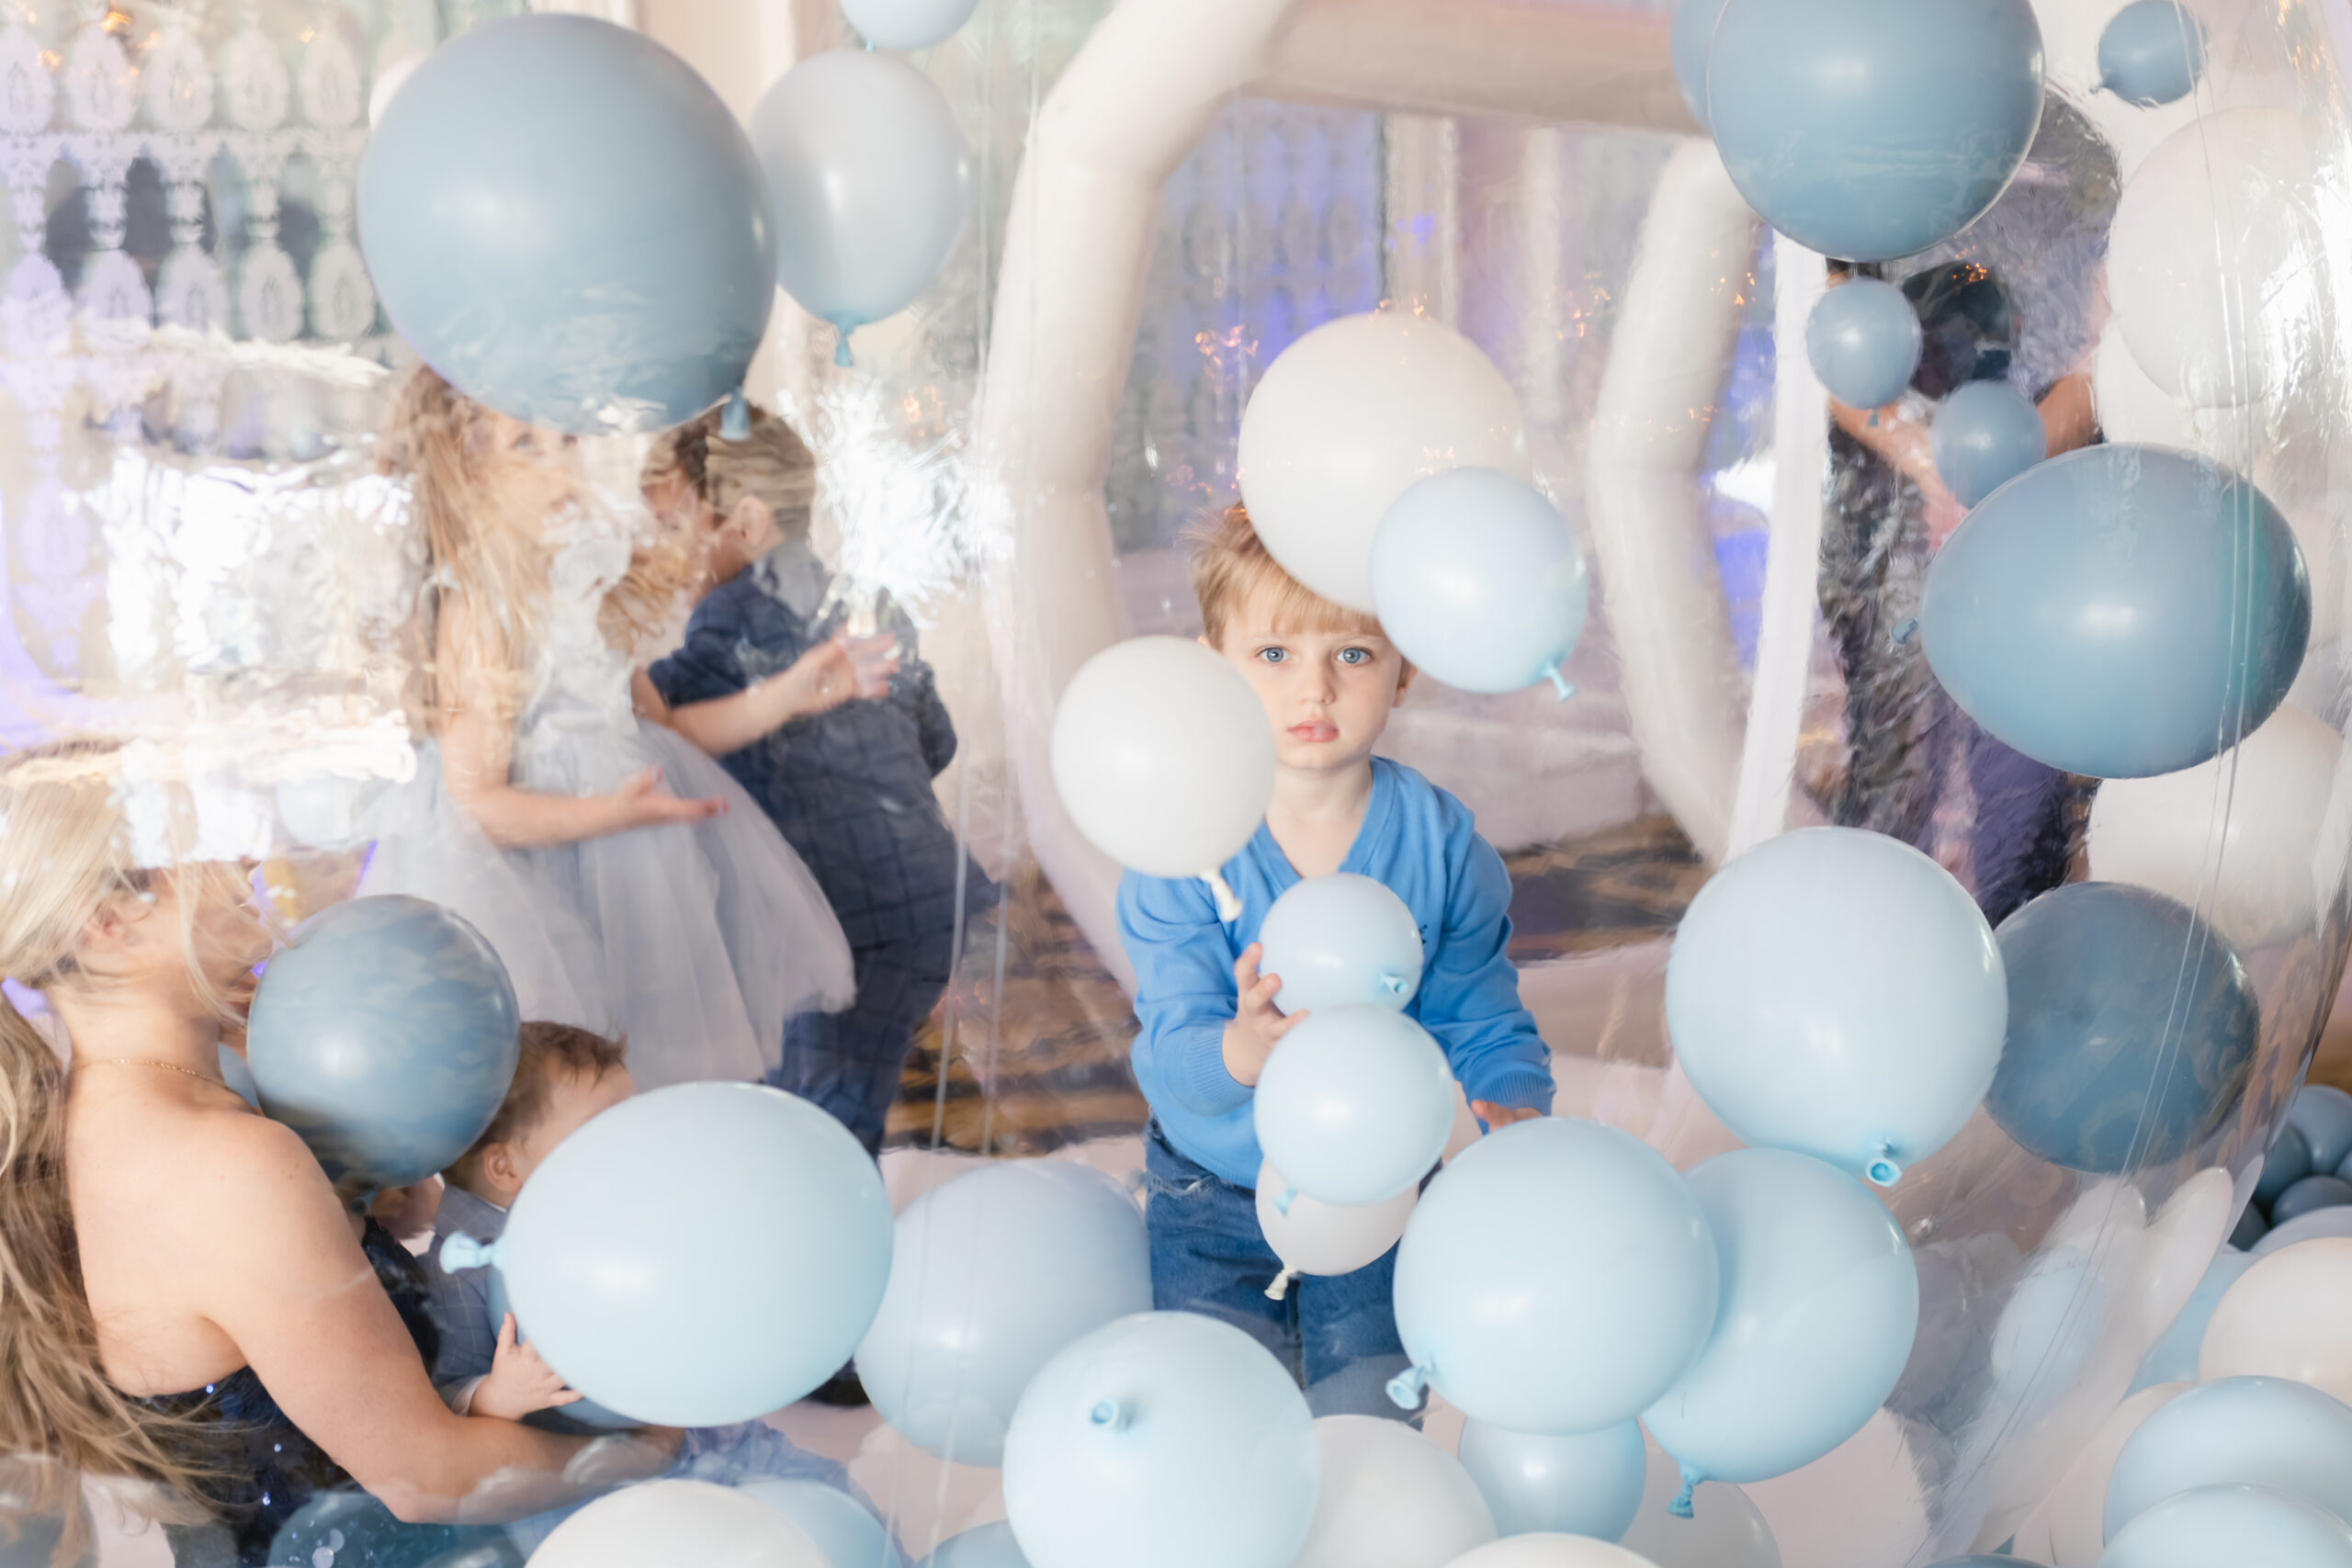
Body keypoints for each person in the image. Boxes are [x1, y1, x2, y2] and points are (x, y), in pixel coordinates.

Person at [0, 740, 673, 1568]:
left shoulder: (101, 1113)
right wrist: (645, 1456)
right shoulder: (221, 1161)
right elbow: (425, 1478)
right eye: (193, 838)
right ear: (107, 923)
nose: (245, 853)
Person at [1115, 503, 1555, 1417]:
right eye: (1273, 655)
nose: (1312, 691)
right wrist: (1241, 1047)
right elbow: (1171, 1048)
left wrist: (1510, 1096)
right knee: (1218, 1420)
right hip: (1210, 1192)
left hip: (1375, 1187)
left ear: (1404, 670)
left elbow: (1476, 1008)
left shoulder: (1440, 845)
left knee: (1369, 1418)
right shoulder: (1184, 843)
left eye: (1351, 655)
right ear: (1215, 665)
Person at [357, 369, 854, 1090]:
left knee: (649, 1061)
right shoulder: (480, 610)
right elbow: (478, 801)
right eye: (525, 445)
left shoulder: (580, 579)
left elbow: (665, 728)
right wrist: (609, 814)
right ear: (467, 469)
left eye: (564, 439)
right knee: (560, 1072)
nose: (561, 462)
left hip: (633, 863)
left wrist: (784, 694)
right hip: (531, 880)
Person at [637, 402, 981, 1157]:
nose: (660, 554)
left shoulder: (730, 615)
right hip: (929, 896)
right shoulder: (871, 598)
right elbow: (937, 739)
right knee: (841, 1076)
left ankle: (821, 1212)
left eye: (671, 531)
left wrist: (614, 655)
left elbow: (655, 716)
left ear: (748, 523)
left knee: (820, 1101)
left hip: (847, 909)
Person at [1815, 99, 2116, 927]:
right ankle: (1866, 971)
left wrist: (2010, 459)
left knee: (2028, 792)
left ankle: (2019, 989)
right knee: (1892, 772)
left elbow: (2103, 349)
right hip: (1902, 522)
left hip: (2040, 523)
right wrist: (1932, 462)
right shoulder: (1869, 142)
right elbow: (1834, 338)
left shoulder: (2075, 153)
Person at [421, 1021, 880, 1560]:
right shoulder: (465, 1265)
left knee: (825, 1497)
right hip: (575, 1473)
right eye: (603, 1135)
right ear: (505, 1166)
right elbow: (447, 1397)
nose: (631, 1148)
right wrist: (498, 1395)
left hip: (683, 1421)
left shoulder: (611, 1214)